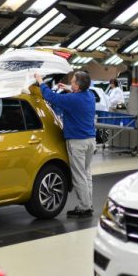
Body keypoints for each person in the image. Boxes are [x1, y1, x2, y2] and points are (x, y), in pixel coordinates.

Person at [35, 71, 96, 218]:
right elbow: (77, 95)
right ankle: (88, 204)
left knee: (79, 175)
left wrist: (41, 82)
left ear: (78, 86)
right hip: (90, 141)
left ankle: (84, 208)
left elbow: (51, 97)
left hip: (77, 142)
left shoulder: (72, 100)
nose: (71, 82)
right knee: (86, 173)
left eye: (73, 81)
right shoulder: (90, 96)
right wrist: (68, 88)